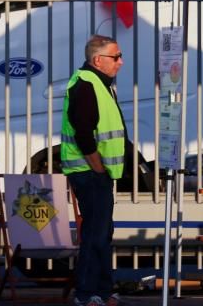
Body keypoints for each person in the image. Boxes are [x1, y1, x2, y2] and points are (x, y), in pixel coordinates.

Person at [61, 35, 128, 306]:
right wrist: (99, 169)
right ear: (98, 60)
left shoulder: (100, 83)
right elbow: (84, 134)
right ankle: (87, 293)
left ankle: (102, 290)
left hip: (96, 172)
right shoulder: (87, 84)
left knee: (102, 233)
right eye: (116, 56)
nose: (120, 62)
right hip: (88, 171)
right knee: (95, 234)